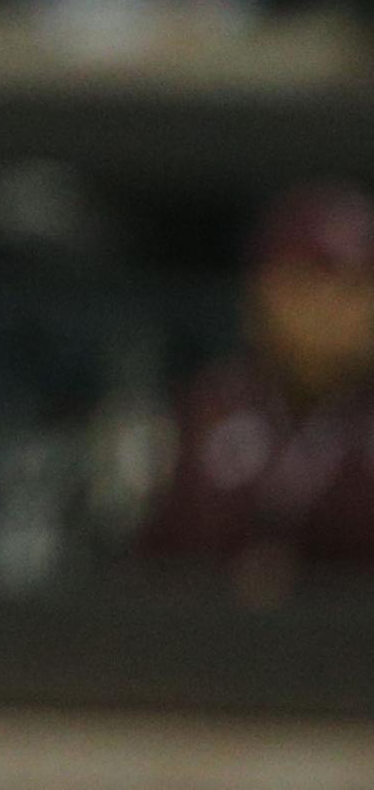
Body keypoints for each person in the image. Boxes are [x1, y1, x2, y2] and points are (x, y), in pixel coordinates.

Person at [141, 183, 374, 587]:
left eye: (356, 285)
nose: (331, 306)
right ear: (261, 290)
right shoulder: (197, 413)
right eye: (309, 279)